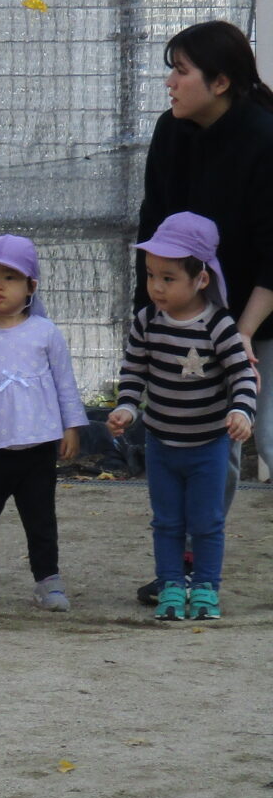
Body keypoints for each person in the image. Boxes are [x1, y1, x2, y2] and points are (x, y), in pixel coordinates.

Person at [133, 20, 273, 602]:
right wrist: (151, 320)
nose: (169, 82)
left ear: (220, 82)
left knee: (266, 432)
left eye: (181, 70)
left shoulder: (264, 137)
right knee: (214, 445)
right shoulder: (172, 131)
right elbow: (153, 228)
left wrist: (242, 333)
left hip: (260, 312)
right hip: (192, 319)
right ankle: (190, 565)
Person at [108, 213, 257, 623]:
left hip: (209, 446)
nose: (156, 286)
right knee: (167, 522)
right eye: (151, 275)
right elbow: (134, 372)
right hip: (161, 445)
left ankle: (206, 587)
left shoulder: (219, 325)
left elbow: (242, 374)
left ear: (201, 279)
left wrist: (241, 411)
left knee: (207, 522)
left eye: (168, 278)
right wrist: (126, 407)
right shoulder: (146, 322)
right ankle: (171, 585)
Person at [0, 236, 88, 613]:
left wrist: (71, 427)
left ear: (31, 286)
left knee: (41, 521)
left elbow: (64, 382)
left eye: (9, 277)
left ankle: (48, 581)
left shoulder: (46, 333)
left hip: (38, 449)